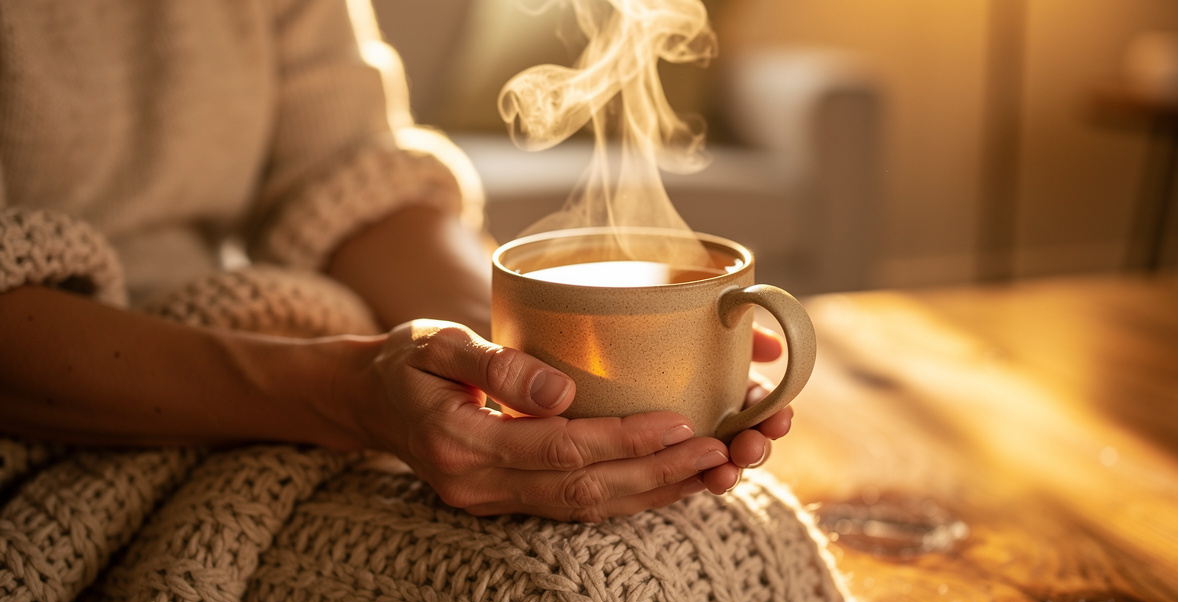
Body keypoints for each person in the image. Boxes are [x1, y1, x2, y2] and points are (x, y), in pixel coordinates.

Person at [0, 0, 791, 523]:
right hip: (65, 444)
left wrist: (508, 358)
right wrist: (347, 395)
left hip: (277, 379)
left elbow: (348, 179)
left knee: (729, 527)